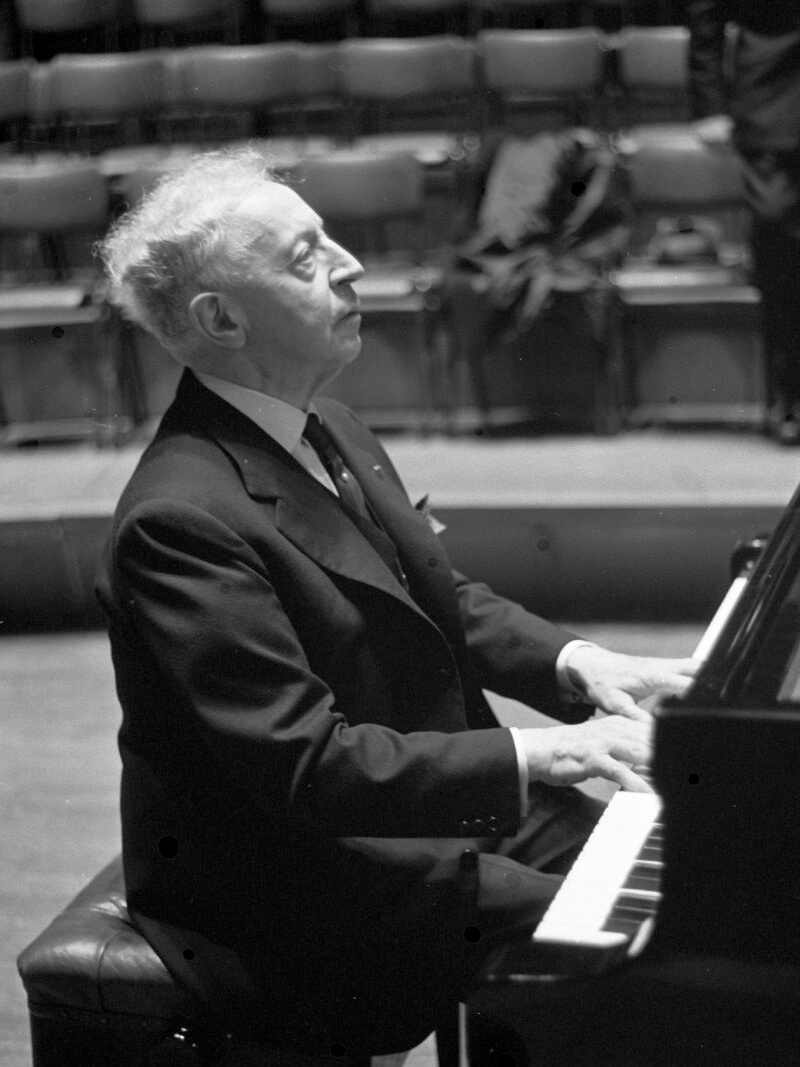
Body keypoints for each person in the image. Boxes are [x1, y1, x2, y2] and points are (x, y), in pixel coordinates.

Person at [95, 148, 696, 1062]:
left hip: (409, 804)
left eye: (328, 238)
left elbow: (434, 595)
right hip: (297, 877)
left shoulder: (327, 422)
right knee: (644, 947)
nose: (351, 264)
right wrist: (554, 749)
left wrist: (583, 665)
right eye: (305, 258)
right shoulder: (178, 519)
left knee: (696, 866)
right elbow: (306, 764)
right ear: (221, 319)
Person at [685, 1, 800, 443]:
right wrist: (709, 104)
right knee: (778, 245)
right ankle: (789, 395)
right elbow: (706, 18)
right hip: (770, 93)